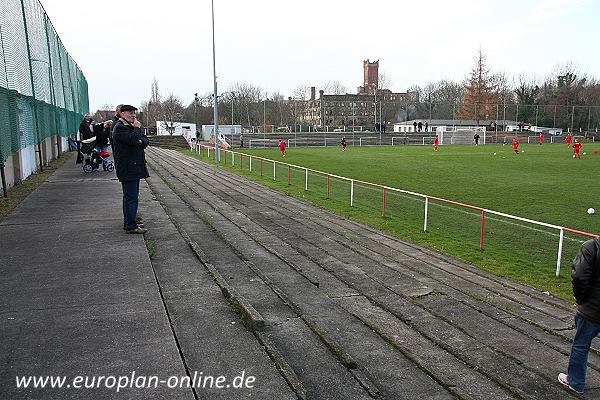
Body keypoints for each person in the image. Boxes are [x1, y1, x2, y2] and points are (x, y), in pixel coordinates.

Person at [558, 237, 600, 395]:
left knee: (581, 345)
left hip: (592, 310)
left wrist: (581, 300)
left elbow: (579, 278)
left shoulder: (591, 247)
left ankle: (575, 382)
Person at [112, 105, 149, 234]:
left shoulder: (130, 127)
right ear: (122, 114)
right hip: (128, 168)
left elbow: (145, 141)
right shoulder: (120, 127)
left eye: (134, 113)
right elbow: (134, 139)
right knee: (130, 197)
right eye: (129, 113)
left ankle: (129, 221)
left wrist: (138, 137)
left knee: (131, 196)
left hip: (134, 167)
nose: (133, 115)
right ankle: (131, 225)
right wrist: (137, 129)